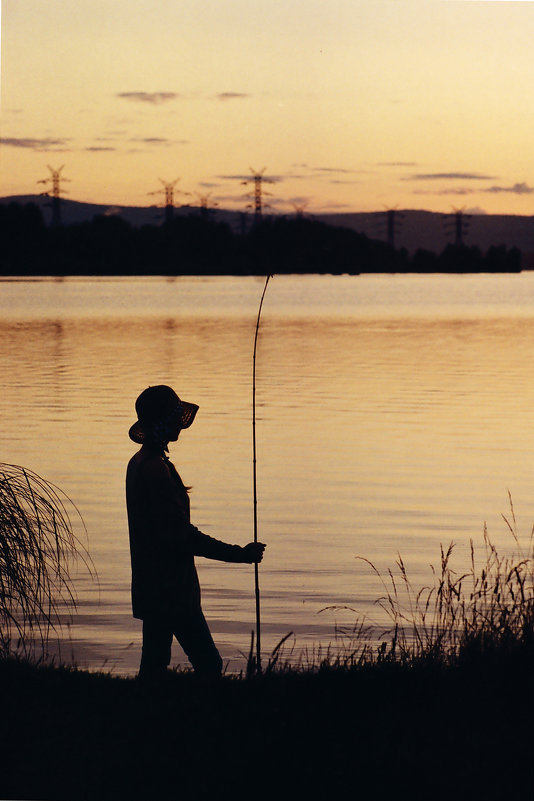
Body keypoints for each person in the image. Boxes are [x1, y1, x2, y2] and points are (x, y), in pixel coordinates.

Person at [126, 384, 265, 680]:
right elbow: (183, 537)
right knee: (209, 664)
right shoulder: (155, 470)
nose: (180, 424)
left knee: (153, 666)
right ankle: (199, 721)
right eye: (175, 417)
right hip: (171, 588)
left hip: (152, 585)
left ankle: (144, 720)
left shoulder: (140, 463)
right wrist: (240, 554)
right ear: (164, 421)